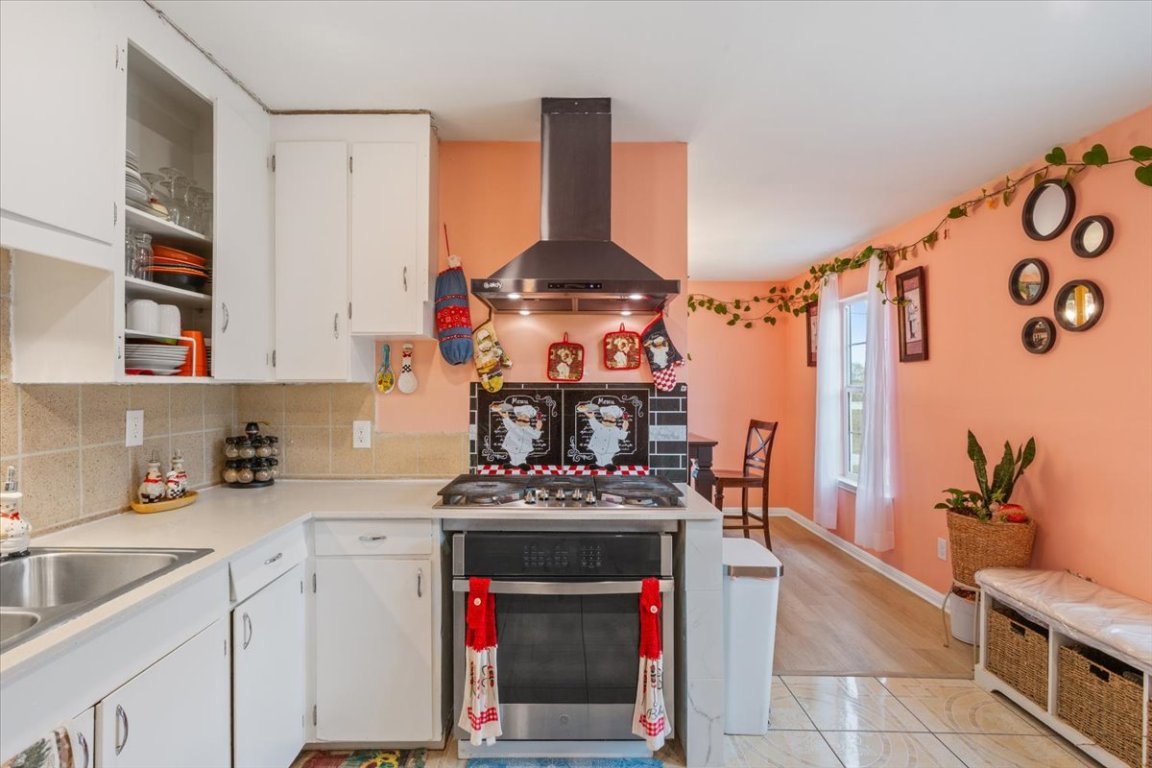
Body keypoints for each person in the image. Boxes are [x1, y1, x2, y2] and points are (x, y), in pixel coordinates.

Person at [492, 403, 542, 468]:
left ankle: (522, 464)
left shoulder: (529, 429)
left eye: (525, 417)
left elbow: (536, 436)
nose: (522, 418)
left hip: (523, 448)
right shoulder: (514, 426)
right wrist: (506, 417)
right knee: (512, 454)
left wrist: (538, 428)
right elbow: (508, 424)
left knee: (522, 456)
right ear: (517, 418)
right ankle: (512, 463)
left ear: (529, 421)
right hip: (511, 445)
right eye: (521, 416)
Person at [582, 404, 630, 469]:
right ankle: (599, 463)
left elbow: (622, 436)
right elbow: (593, 423)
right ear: (603, 417)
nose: (608, 419)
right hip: (597, 446)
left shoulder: (615, 429)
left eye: (612, 417)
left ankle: (608, 464)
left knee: (608, 456)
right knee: (598, 454)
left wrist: (624, 428)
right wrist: (591, 417)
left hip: (610, 448)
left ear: (615, 420)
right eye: (607, 416)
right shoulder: (599, 426)